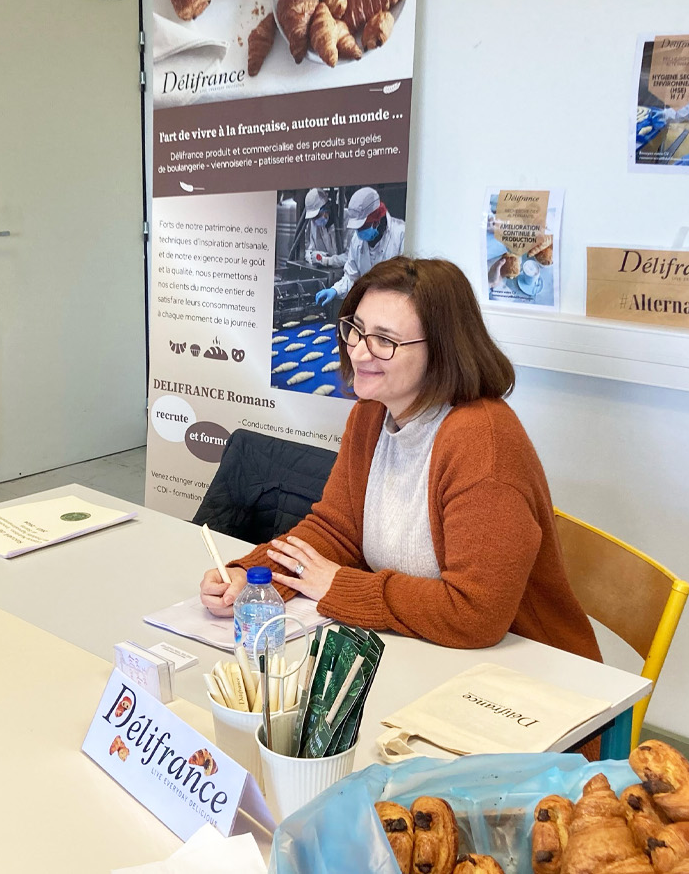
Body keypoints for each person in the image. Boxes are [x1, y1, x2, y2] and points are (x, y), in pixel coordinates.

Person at [201, 258, 599, 664]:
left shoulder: (483, 445)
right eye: (355, 329)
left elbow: (475, 615)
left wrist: (338, 586)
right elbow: (336, 531)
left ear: (442, 349)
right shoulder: (372, 413)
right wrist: (253, 579)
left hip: (537, 676)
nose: (358, 350)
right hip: (434, 654)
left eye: (384, 340)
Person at [314, 186, 406, 306]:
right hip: (368, 306)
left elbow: (407, 285)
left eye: (362, 227)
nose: (359, 232)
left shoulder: (401, 235)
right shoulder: (357, 240)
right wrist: (335, 290)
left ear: (376, 221)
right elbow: (352, 278)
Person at [303, 187, 338, 258]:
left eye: (317, 215)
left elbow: (349, 256)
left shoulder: (345, 220)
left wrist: (329, 261)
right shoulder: (313, 224)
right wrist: (314, 257)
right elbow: (309, 249)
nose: (315, 220)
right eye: (313, 218)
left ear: (327, 207)